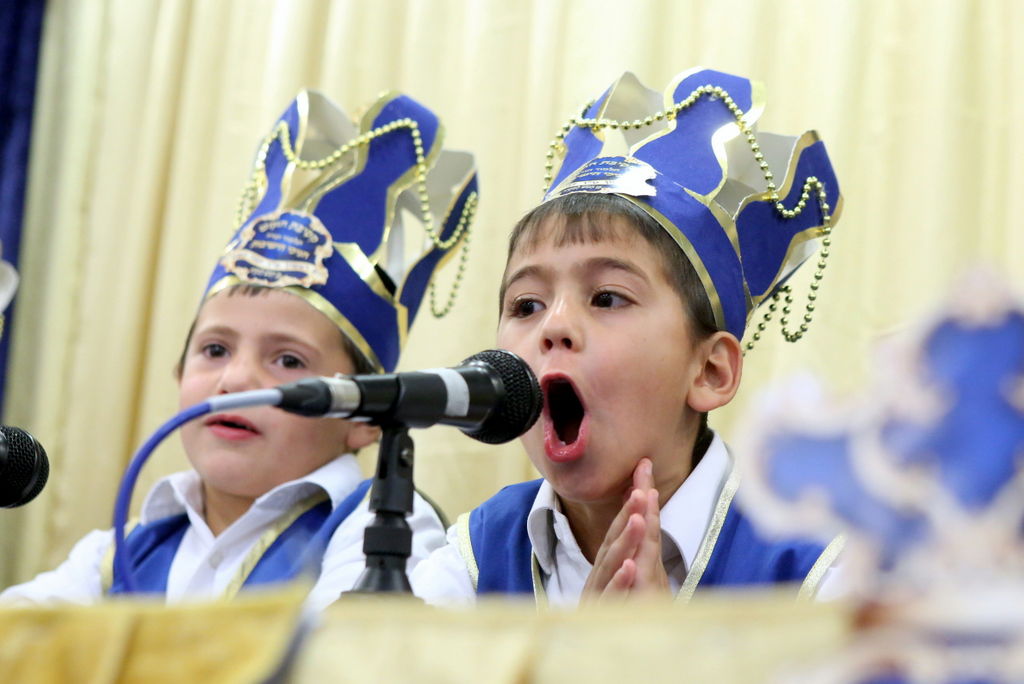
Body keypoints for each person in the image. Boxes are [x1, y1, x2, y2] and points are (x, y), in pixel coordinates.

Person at [2, 88, 480, 610]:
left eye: (288, 360)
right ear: (178, 373)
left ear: (366, 417)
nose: (235, 380)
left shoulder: (378, 531)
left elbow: (335, 650)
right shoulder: (117, 553)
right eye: (214, 350)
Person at [412, 67, 845, 606]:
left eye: (607, 298)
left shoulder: (816, 577)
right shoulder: (471, 563)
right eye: (527, 305)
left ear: (710, 371)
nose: (555, 325)